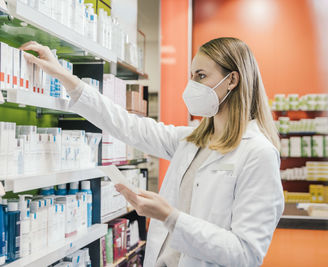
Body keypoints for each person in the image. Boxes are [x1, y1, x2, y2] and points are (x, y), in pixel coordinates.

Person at [20, 37, 284, 267]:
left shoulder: (258, 154)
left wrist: (171, 217)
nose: (192, 85)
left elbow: (247, 252)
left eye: (201, 76)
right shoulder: (191, 140)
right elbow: (127, 125)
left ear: (232, 80)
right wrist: (65, 77)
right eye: (191, 76)